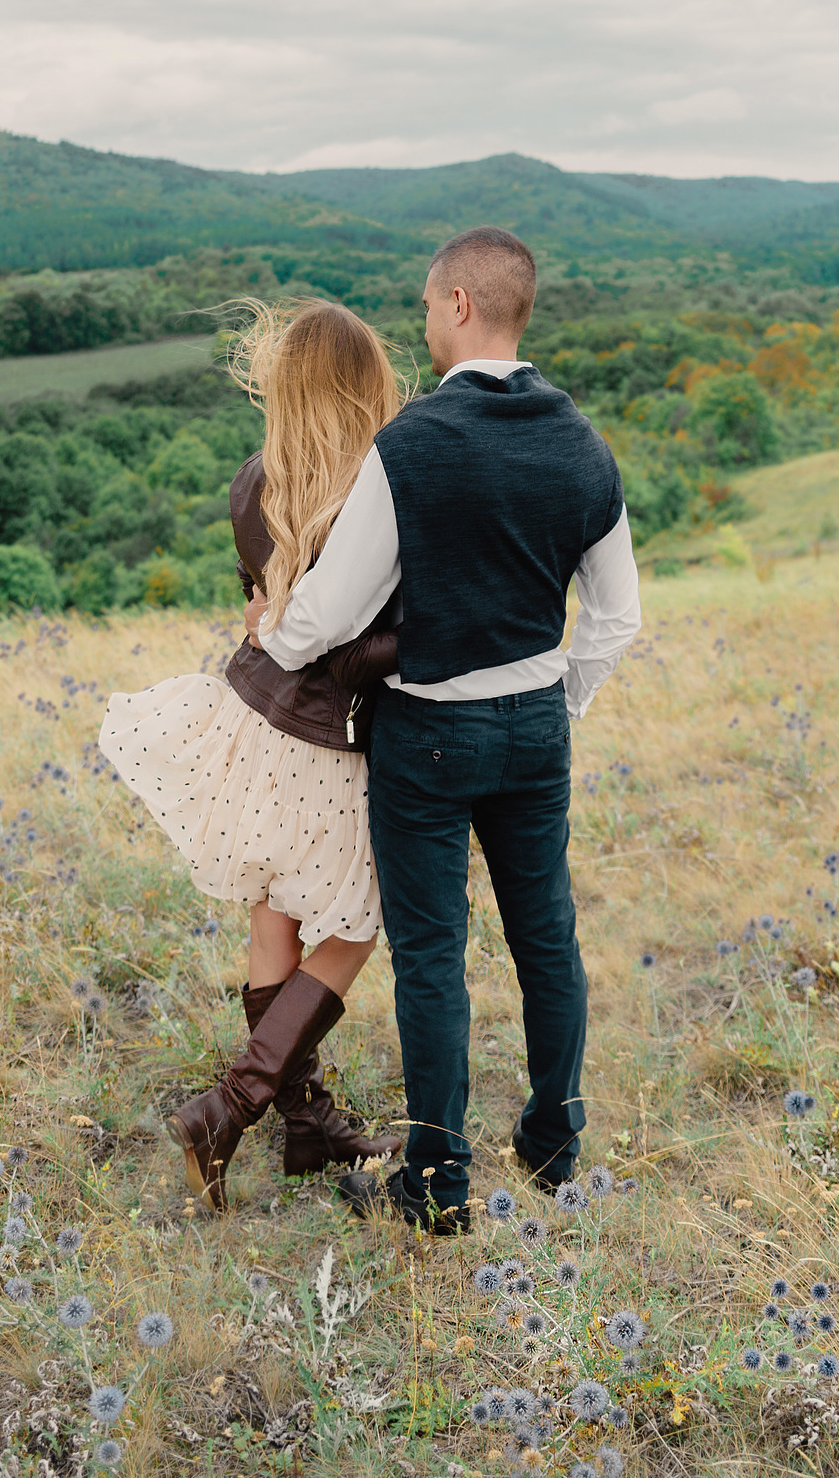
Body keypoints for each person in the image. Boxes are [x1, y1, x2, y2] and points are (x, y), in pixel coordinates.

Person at [245, 225, 641, 1234]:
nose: (423, 325)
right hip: (534, 727)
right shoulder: (581, 443)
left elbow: (334, 609)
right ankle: (554, 1142)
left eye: (427, 307)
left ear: (460, 304)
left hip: (425, 732)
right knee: (545, 936)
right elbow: (617, 614)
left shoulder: (412, 445)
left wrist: (272, 639)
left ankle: (435, 1182)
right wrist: (560, 699)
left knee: (431, 956)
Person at [97, 298, 407, 1212]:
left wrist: (274, 625)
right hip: (331, 737)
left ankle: (308, 1126)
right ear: (366, 384)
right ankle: (230, 1106)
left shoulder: (254, 481)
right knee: (352, 926)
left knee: (274, 907)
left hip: (253, 714)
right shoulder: (379, 494)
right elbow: (357, 644)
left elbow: (262, 612)